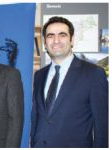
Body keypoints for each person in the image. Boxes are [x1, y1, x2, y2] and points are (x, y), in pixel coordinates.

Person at [31, 16, 108, 148]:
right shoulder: (39, 75)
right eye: (50, 36)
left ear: (72, 40)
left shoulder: (93, 74)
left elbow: (103, 125)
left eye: (62, 35)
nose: (56, 40)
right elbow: (38, 118)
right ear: (45, 42)